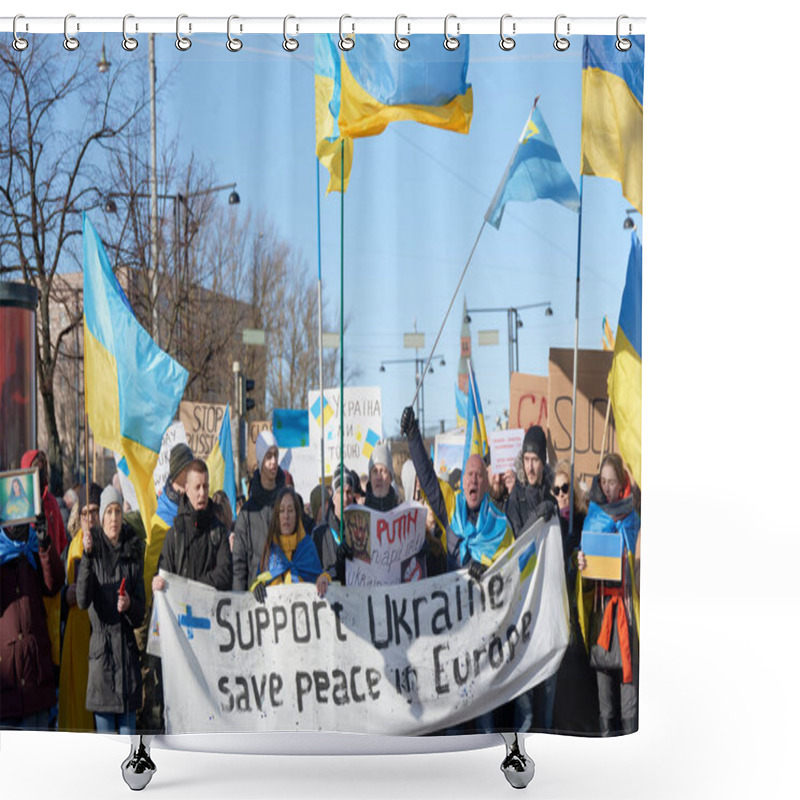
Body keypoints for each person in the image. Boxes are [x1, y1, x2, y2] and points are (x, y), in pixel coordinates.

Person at [400, 406, 513, 578]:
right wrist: (413, 434)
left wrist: (488, 572)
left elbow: (513, 573)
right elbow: (428, 479)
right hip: (455, 602)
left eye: (479, 475)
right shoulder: (450, 506)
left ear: (486, 484)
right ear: (462, 482)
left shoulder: (501, 526)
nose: (473, 480)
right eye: (469, 474)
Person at [576, 453, 641, 737]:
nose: (607, 488)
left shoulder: (634, 521)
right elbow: (584, 586)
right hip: (602, 616)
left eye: (612, 482)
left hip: (627, 618)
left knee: (630, 704)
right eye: (603, 481)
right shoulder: (593, 518)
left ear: (623, 482)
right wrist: (580, 566)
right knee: (606, 706)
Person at [76, 486, 145, 734]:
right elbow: (82, 600)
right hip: (102, 666)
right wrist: (86, 556)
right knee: (107, 753)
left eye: (117, 511)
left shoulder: (133, 552)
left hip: (127, 666)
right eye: (109, 512)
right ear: (102, 517)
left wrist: (129, 606)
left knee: (128, 749)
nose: (114, 518)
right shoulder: (92, 551)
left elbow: (140, 614)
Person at [0, 514, 64, 729]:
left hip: (36, 679)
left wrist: (44, 543)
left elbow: (53, 584)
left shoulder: (34, 546)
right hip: (6, 686)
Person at [58, 483, 102, 732]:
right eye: (86, 512)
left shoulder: (108, 544)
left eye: (95, 511)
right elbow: (56, 592)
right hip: (76, 637)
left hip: (98, 632)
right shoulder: (71, 548)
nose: (90, 518)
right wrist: (67, 595)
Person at [152, 460, 232, 593]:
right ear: (187, 489)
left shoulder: (219, 532)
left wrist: (191, 588)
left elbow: (225, 575)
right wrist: (157, 583)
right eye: (197, 487)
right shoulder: (174, 536)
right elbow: (164, 575)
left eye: (205, 487)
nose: (202, 493)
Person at [232, 430, 292, 591]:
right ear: (260, 460)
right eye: (268, 456)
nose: (273, 461)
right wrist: (241, 601)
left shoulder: (288, 503)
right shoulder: (247, 512)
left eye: (275, 455)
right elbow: (239, 564)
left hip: (286, 594)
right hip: (256, 601)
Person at [250, 487, 330, 599]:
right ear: (277, 516)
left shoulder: (308, 547)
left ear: (297, 515)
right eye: (282, 511)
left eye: (290, 510)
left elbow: (317, 577)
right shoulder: (269, 551)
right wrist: (256, 586)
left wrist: (324, 578)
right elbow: (260, 579)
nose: (286, 516)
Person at [143, 442, 194, 610]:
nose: (192, 473)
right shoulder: (160, 521)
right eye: (188, 468)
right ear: (178, 470)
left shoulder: (196, 507)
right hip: (166, 607)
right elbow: (149, 572)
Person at [504, 426, 557, 539]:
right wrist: (537, 515)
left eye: (535, 460)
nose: (530, 468)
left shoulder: (553, 492)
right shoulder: (516, 497)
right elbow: (517, 544)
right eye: (526, 459)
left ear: (543, 461)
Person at [312, 466, 356, 584]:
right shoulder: (319, 534)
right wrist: (337, 566)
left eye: (349, 492)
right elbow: (314, 574)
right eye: (341, 492)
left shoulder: (362, 530)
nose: (346, 498)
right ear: (333, 497)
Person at [363, 443, 399, 511]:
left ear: (390, 477)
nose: (379, 478)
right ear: (370, 477)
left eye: (383, 471)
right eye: (375, 471)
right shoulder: (361, 514)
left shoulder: (401, 512)